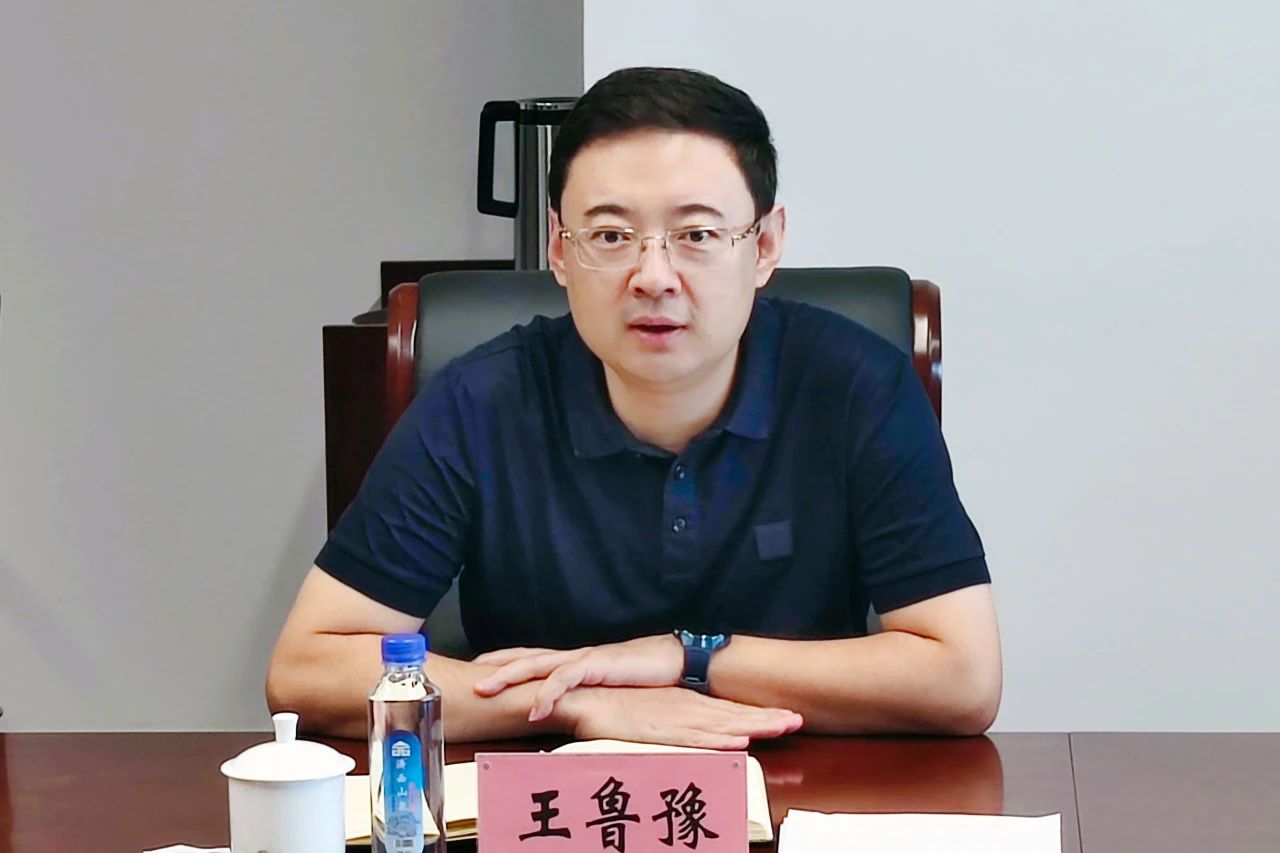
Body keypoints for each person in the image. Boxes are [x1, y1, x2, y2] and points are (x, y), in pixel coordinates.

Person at [267, 67, 1001, 749]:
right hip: (552, 797)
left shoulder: (855, 385)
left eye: (697, 235)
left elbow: (964, 677)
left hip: (801, 786)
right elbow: (308, 667)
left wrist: (687, 657)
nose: (654, 276)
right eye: (612, 236)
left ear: (766, 245)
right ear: (559, 250)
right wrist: (579, 701)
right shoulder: (479, 401)